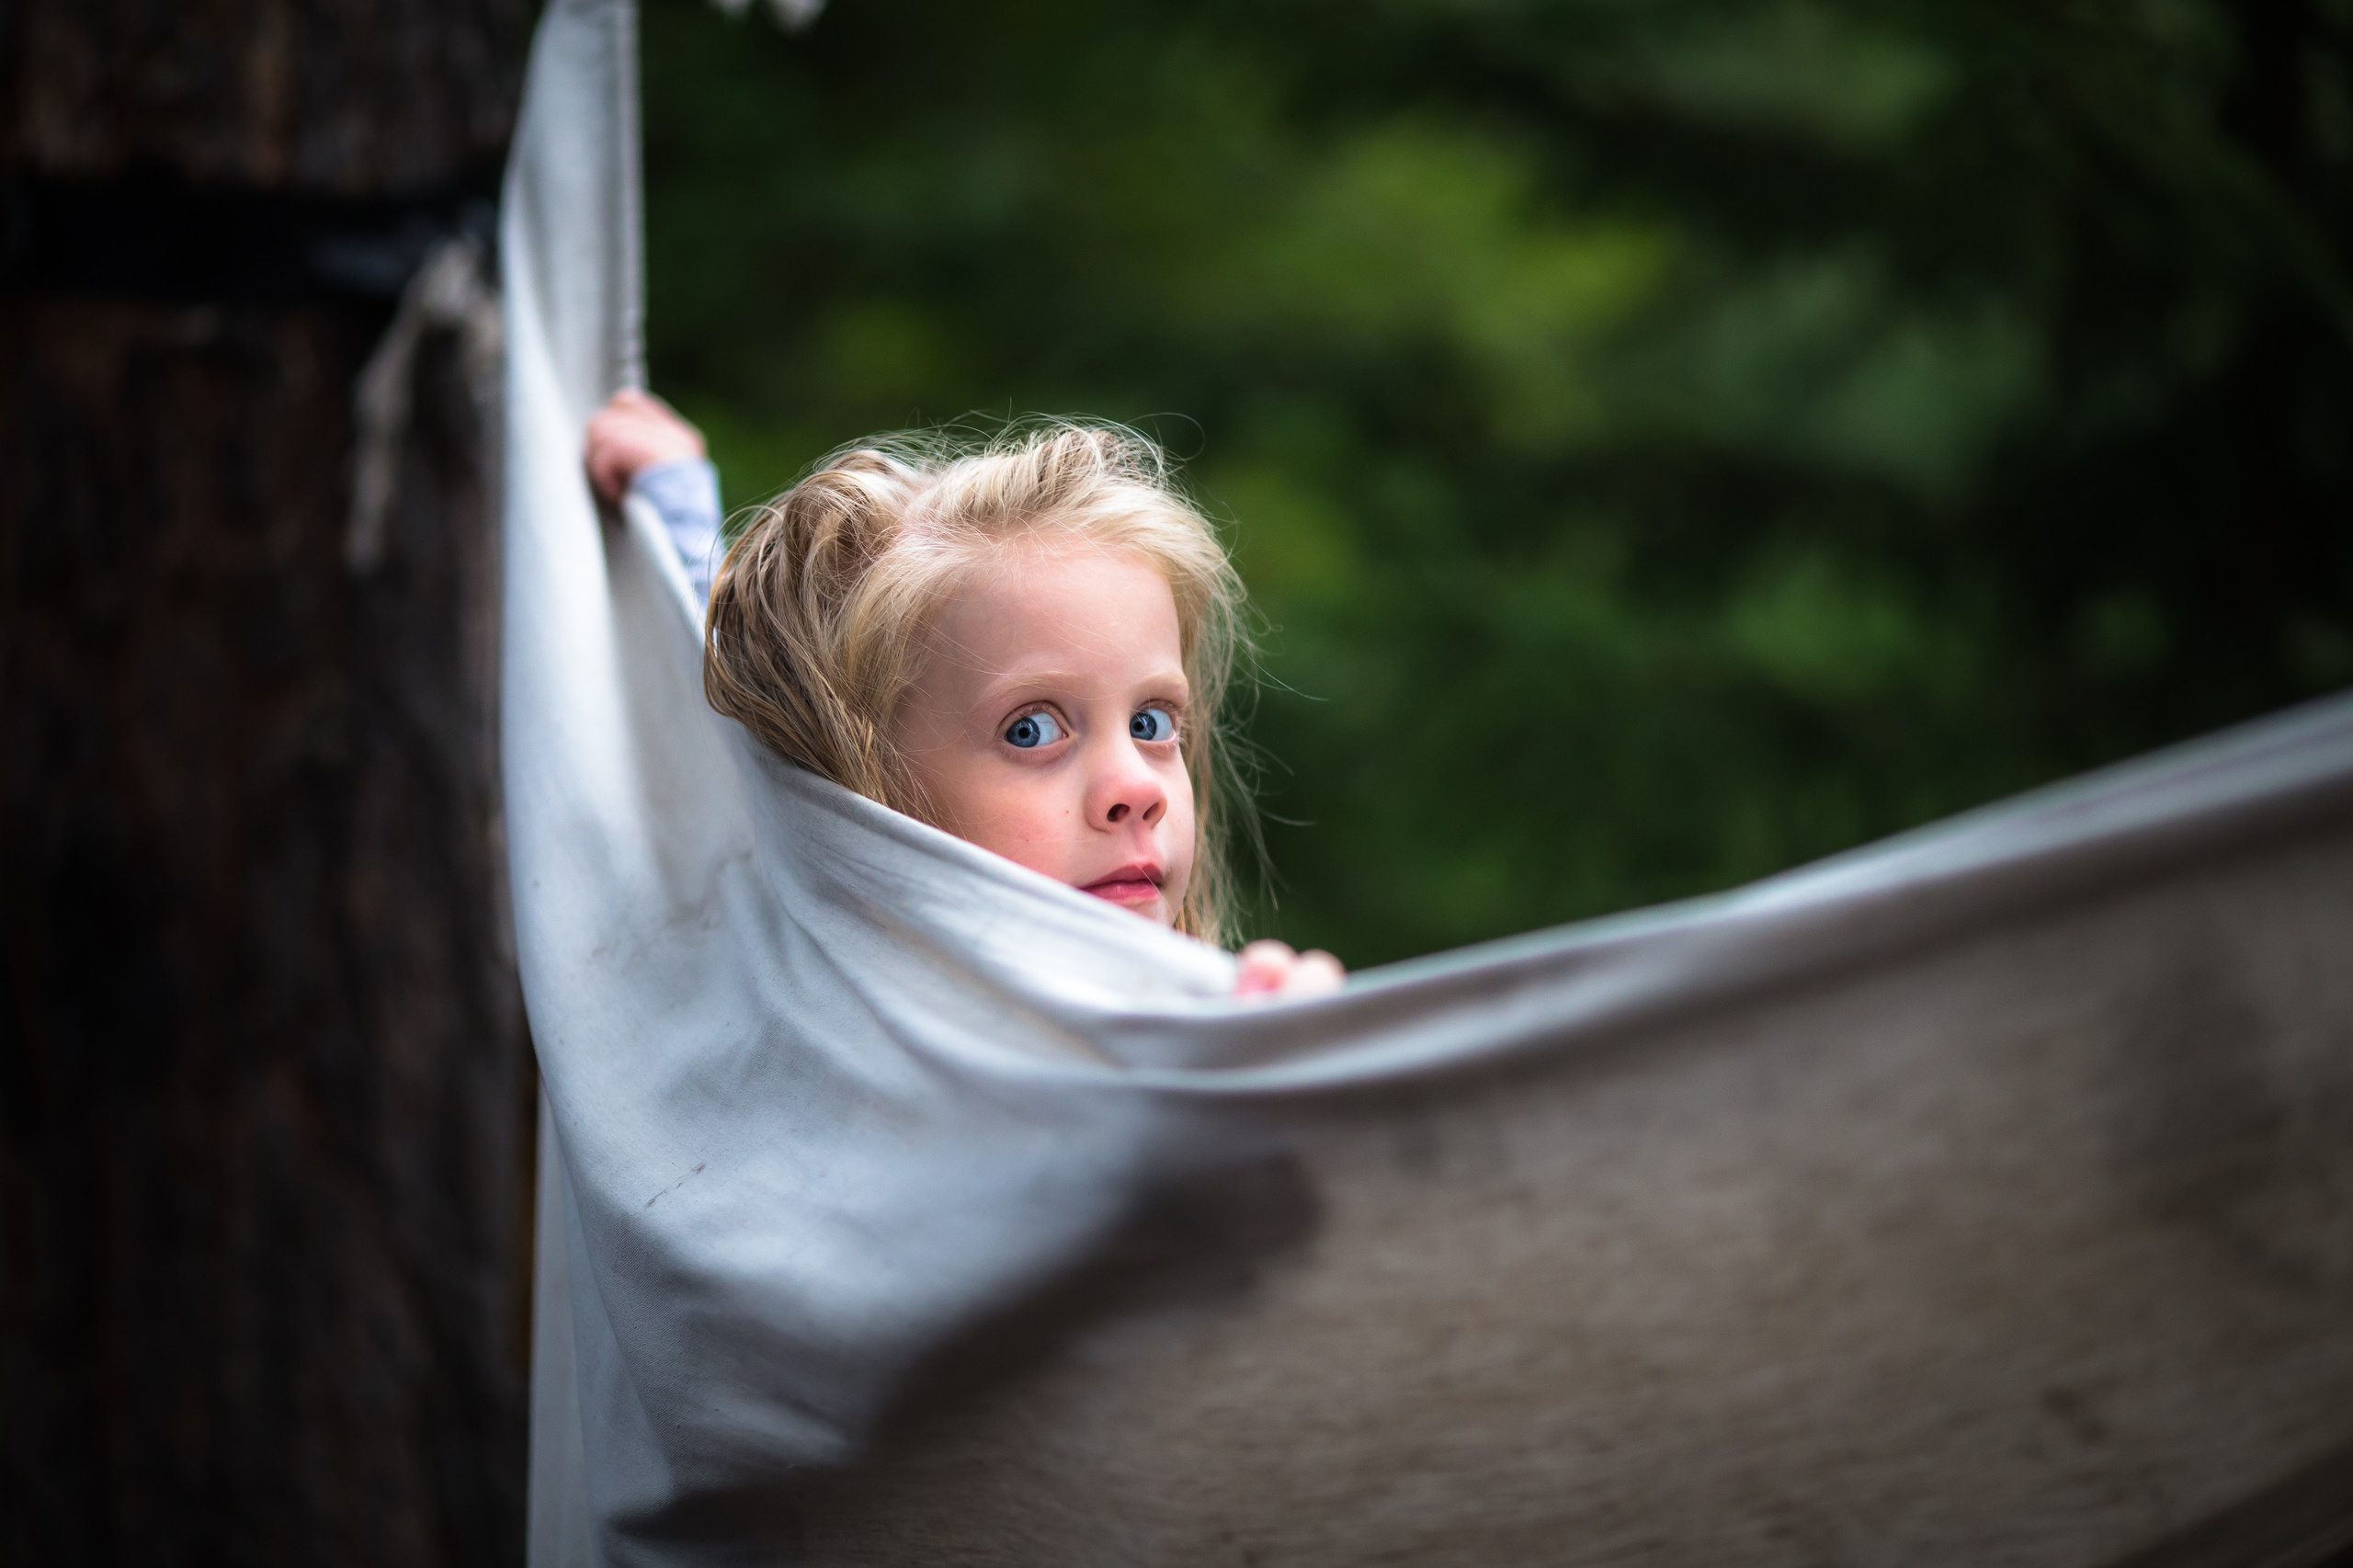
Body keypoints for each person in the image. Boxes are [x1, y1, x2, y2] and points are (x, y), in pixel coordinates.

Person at [585, 391, 1343, 999]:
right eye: (1031, 731)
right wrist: (672, 507)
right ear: (854, 797)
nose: (1138, 789)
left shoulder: (1215, 1034)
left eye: (1152, 722)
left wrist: (1276, 1072)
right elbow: (734, 726)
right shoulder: (818, 1018)